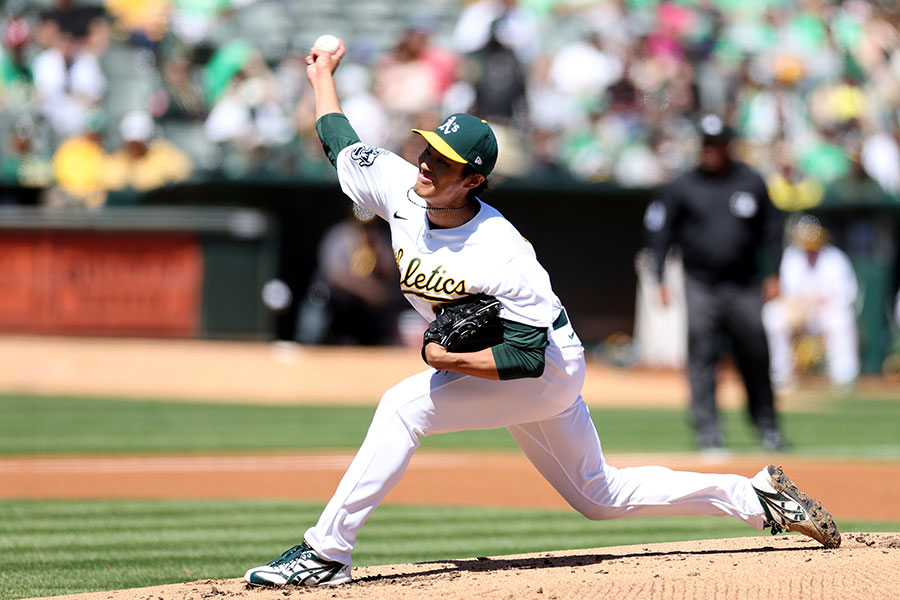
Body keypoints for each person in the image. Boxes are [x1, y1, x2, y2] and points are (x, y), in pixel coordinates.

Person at [242, 41, 839, 588]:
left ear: (472, 180)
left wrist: (446, 357)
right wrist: (323, 76)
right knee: (598, 495)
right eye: (427, 151)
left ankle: (326, 552)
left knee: (403, 406)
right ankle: (756, 496)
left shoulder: (502, 252)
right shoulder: (401, 187)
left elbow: (526, 357)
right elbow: (340, 142)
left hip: (546, 366)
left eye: (443, 163)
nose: (426, 164)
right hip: (514, 363)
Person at [645, 114, 785, 452]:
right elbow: (660, 234)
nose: (710, 151)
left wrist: (774, 274)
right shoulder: (682, 186)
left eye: (716, 144)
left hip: (744, 283)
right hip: (700, 283)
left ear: (728, 146)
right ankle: (708, 428)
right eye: (705, 144)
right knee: (702, 354)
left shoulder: (750, 181)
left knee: (754, 352)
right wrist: (660, 277)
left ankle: (767, 425)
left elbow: (772, 231)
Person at [762, 216, 859, 393]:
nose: (810, 246)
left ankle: (843, 378)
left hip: (825, 311)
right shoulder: (792, 256)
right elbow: (787, 292)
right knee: (772, 317)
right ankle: (781, 375)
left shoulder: (835, 258)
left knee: (841, 319)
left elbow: (846, 293)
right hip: (799, 310)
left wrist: (822, 301)